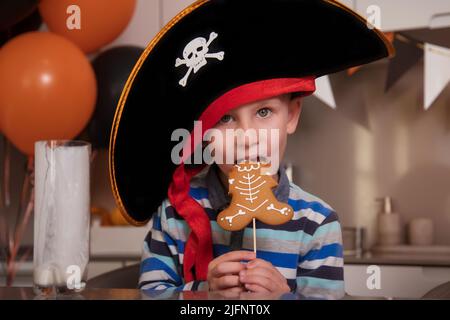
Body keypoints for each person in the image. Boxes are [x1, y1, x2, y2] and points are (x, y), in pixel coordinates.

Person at [108, 0, 394, 300]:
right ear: (202, 131)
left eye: (264, 112)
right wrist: (205, 294)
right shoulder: (173, 214)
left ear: (292, 115)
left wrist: (282, 297)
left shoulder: (317, 225)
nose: (246, 138)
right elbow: (150, 294)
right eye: (225, 118)